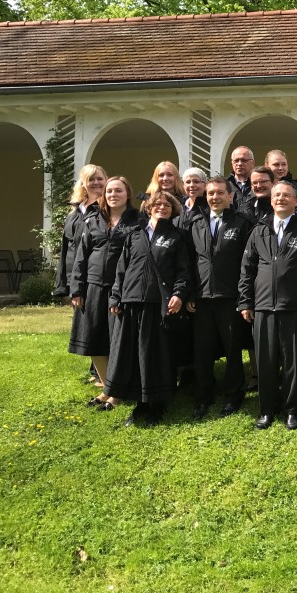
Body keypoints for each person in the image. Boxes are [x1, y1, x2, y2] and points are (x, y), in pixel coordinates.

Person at [239, 181, 297, 430]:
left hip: (296, 308)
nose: (280, 198)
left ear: (296, 201)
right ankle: (267, 410)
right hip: (263, 307)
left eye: (286, 195)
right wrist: (245, 301)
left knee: (293, 363)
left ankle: (292, 410)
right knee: (266, 363)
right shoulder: (259, 231)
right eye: (276, 195)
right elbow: (247, 269)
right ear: (271, 200)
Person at [105, 190, 193, 427]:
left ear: (173, 210)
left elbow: (184, 270)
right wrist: (116, 297)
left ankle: (158, 404)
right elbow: (121, 270)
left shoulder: (178, 236)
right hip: (132, 301)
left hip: (159, 304)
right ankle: (140, 404)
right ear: (149, 208)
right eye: (157, 204)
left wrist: (179, 294)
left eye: (167, 205)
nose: (162, 207)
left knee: (156, 355)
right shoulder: (135, 235)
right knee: (135, 355)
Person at [185, 176, 255, 420]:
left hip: (230, 296)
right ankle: (203, 396)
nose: (215, 197)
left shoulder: (242, 223)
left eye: (220, 193)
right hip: (202, 297)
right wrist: (189, 293)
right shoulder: (195, 223)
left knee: (233, 348)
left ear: (230, 196)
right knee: (202, 350)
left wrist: (245, 296)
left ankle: (234, 395)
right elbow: (188, 261)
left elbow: (248, 263)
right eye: (211, 193)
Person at [70, 176, 139, 408]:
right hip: (93, 287)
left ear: (127, 194)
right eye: (109, 191)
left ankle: (116, 393)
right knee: (94, 338)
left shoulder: (138, 221)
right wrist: (77, 289)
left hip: (122, 288)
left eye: (118, 190)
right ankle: (107, 388)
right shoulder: (93, 220)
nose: (113, 195)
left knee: (117, 341)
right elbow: (81, 256)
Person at [54, 164, 107, 299]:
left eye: (100, 179)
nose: (96, 182)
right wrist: (62, 284)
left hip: (96, 279)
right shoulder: (73, 214)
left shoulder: (107, 211)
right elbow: (66, 249)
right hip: (74, 278)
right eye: (91, 179)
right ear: (83, 184)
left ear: (106, 181)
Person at [265, 149, 297, 215]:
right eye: (276, 164)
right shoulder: (261, 187)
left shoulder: (296, 187)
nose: (281, 168)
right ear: (266, 166)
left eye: (284, 164)